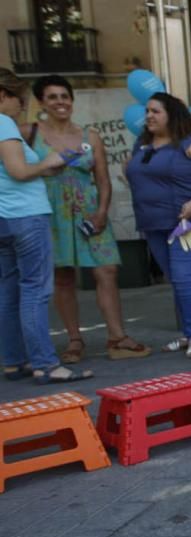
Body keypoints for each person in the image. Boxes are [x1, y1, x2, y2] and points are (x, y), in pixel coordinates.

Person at [25, 75, 149, 363]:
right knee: (63, 277)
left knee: (107, 271)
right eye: (53, 97)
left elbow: (103, 179)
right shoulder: (29, 133)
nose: (60, 102)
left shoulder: (89, 136)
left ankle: (117, 337)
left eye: (64, 96)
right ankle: (74, 340)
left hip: (89, 211)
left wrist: (102, 211)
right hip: (51, 211)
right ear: (41, 102)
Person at [0, 67, 86, 383]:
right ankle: (46, 364)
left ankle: (14, 361)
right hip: (25, 215)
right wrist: (49, 162)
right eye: (19, 99)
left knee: (8, 290)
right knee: (35, 290)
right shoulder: (4, 124)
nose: (22, 106)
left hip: (3, 218)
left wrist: (41, 170)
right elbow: (19, 171)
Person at [125, 93, 191, 358]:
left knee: (184, 277)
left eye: (156, 111)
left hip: (188, 222)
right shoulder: (141, 145)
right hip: (153, 224)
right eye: (147, 111)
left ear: (172, 114)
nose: (149, 116)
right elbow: (129, 172)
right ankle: (188, 333)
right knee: (176, 280)